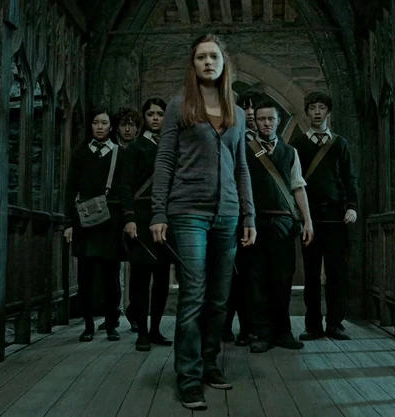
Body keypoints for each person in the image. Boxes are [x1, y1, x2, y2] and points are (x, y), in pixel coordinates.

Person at [149, 33, 256, 410]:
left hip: (227, 213)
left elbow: (242, 167)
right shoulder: (180, 106)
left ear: (224, 63)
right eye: (201, 57)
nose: (208, 62)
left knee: (219, 297)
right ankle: (189, 376)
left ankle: (210, 364)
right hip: (187, 211)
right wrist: (158, 211)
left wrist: (248, 214)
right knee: (193, 293)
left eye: (214, 56)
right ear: (192, 64)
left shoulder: (236, 111)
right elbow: (164, 161)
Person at [241, 99, 314, 353]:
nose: (266, 123)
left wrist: (307, 220)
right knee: (257, 279)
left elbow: (298, 187)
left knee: (283, 279)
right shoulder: (245, 150)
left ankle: (284, 332)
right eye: (261, 119)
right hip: (255, 223)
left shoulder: (289, 152)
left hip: (284, 222)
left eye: (270, 119)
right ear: (255, 122)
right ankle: (263, 333)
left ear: (278, 121)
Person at [289, 91, 359, 341]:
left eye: (321, 107)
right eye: (312, 108)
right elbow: (293, 179)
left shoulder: (340, 144)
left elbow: (350, 177)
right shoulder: (298, 144)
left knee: (336, 273)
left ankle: (335, 324)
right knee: (310, 274)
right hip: (310, 218)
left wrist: (352, 206)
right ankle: (313, 326)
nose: (317, 112)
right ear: (307, 112)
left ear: (328, 111)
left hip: (336, 217)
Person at [63, 108, 136, 342]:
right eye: (95, 123)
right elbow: (70, 189)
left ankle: (112, 323)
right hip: (85, 221)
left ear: (111, 126)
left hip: (111, 222)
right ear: (90, 126)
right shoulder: (80, 153)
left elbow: (125, 190)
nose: (100, 127)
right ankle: (88, 325)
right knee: (85, 276)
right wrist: (68, 223)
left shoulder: (119, 154)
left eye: (104, 123)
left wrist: (128, 219)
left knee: (111, 276)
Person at [123, 98, 174, 351]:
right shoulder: (135, 148)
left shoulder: (172, 147)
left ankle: (155, 330)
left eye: (160, 114)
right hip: (141, 218)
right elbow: (124, 186)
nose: (155, 118)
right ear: (144, 117)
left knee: (162, 278)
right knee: (141, 278)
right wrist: (129, 218)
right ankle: (142, 332)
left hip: (165, 217)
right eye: (151, 114)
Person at [99, 106, 144, 333]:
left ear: (137, 128)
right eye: (124, 125)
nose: (128, 129)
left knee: (138, 265)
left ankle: (135, 312)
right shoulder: (110, 151)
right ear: (116, 128)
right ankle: (112, 313)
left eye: (132, 125)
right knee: (111, 265)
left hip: (136, 213)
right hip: (113, 213)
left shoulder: (141, 151)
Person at [221, 94, 262, 346]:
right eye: (244, 108)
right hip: (229, 213)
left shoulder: (262, 144)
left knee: (248, 277)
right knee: (227, 275)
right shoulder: (230, 137)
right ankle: (224, 326)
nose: (249, 112)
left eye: (252, 108)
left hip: (252, 217)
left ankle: (248, 328)